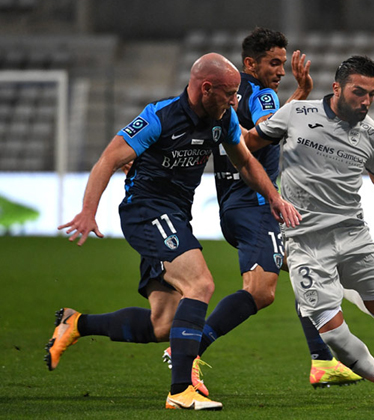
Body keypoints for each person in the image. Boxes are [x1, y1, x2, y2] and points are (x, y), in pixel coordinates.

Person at [46, 52, 301, 410]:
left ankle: (77, 324)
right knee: (201, 284)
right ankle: (181, 390)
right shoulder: (159, 117)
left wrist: (273, 197)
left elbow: (245, 161)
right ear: (206, 88)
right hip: (146, 211)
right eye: (229, 94)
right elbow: (108, 159)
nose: (234, 101)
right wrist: (88, 212)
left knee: (163, 324)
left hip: (176, 217)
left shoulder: (223, 119)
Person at [162, 27, 361, 389]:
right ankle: (188, 349)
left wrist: (299, 95)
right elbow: (261, 136)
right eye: (274, 63)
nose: (280, 71)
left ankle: (323, 361)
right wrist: (301, 97)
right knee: (260, 291)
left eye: (283, 64)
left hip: (236, 206)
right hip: (256, 207)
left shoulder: (226, 99)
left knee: (309, 271)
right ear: (250, 63)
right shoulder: (263, 95)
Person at [243, 55, 374, 404]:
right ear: (337, 88)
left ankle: (340, 286)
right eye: (359, 92)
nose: (366, 101)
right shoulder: (297, 113)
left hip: (354, 236)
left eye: (372, 94)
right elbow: (247, 145)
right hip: (305, 244)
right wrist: (267, 192)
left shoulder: (370, 133)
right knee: (334, 335)